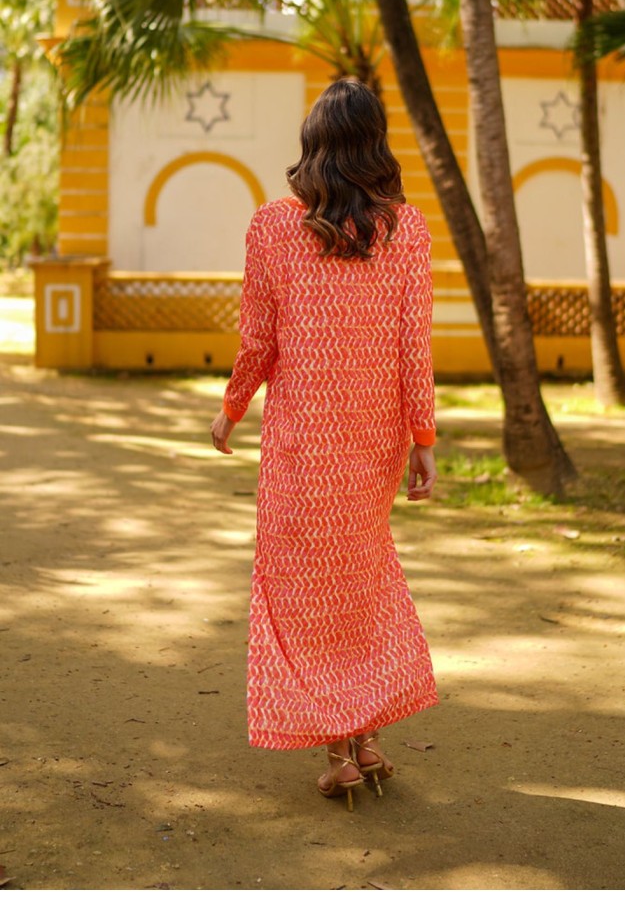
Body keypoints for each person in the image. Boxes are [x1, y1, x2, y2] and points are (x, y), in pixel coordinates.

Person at [210, 77, 438, 810]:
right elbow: (415, 349)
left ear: (313, 144)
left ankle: (339, 750)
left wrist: (231, 410)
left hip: (302, 443)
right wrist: (422, 437)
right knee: (361, 586)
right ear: (375, 147)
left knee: (300, 590)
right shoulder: (408, 231)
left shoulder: (272, 227)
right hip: (374, 441)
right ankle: (365, 739)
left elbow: (259, 342)